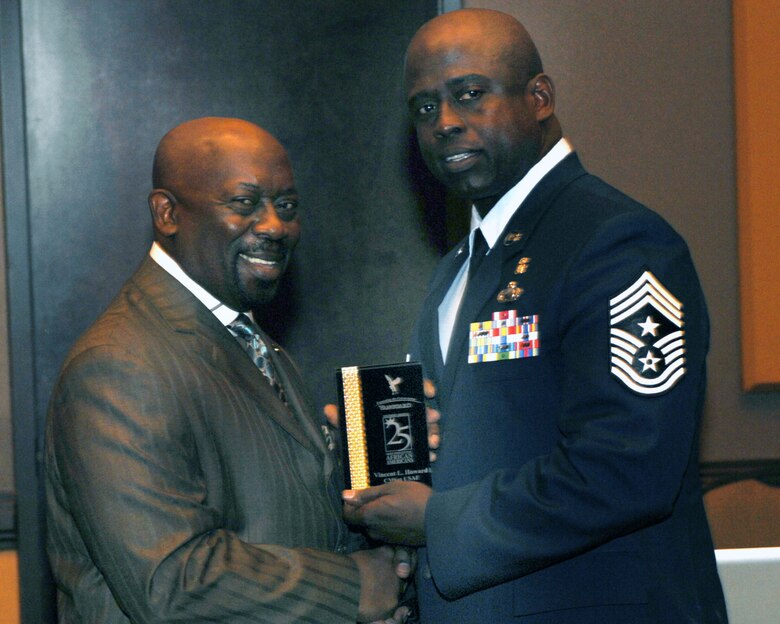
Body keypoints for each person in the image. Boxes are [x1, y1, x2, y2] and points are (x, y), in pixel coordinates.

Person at [343, 9, 728, 623]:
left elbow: (625, 467)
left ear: (539, 97)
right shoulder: (457, 268)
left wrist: (435, 520)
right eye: (423, 108)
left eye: (469, 95)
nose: (444, 123)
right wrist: (387, 450)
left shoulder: (616, 242)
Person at [44, 117, 410, 623]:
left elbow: (280, 515)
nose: (274, 226)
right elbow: (171, 581)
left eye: (286, 206)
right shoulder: (116, 365)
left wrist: (378, 481)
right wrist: (355, 588)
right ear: (167, 213)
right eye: (245, 203)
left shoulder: (251, 339)